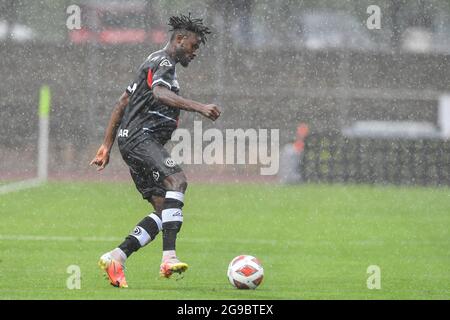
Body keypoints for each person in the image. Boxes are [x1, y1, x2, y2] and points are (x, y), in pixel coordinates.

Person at [90, 14, 221, 288]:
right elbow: (160, 94)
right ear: (180, 39)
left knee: (164, 210)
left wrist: (106, 144)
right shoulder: (163, 63)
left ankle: (117, 256)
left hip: (134, 141)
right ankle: (168, 258)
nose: (195, 52)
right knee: (178, 181)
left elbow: (123, 101)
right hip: (141, 138)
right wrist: (200, 107)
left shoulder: (152, 60)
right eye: (194, 46)